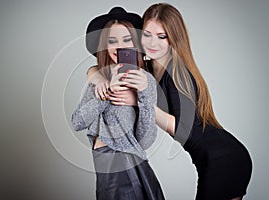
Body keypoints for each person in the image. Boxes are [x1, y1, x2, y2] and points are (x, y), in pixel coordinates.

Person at [88, 3, 252, 200]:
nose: (152, 43)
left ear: (173, 39)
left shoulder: (177, 73)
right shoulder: (146, 69)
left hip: (223, 159)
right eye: (147, 34)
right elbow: (94, 69)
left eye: (162, 36)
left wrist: (140, 101)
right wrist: (98, 80)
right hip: (211, 159)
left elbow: (184, 130)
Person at [71, 7, 165, 200]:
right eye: (112, 41)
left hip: (136, 162)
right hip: (109, 162)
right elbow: (77, 122)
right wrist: (106, 91)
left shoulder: (145, 81)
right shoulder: (99, 78)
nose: (119, 46)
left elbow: (145, 140)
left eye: (126, 40)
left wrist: (144, 98)